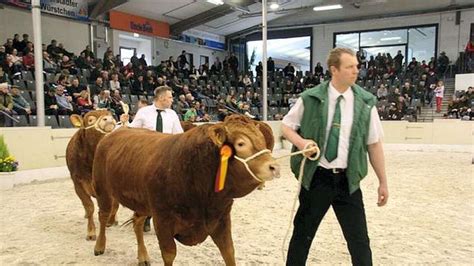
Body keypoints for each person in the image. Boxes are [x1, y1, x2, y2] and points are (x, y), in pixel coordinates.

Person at [281, 47, 389, 266]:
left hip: (348, 182)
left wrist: (383, 182)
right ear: (334, 70)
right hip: (316, 179)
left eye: (357, 66)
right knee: (302, 235)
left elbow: (374, 144)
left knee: (359, 241)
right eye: (350, 67)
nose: (356, 71)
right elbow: (286, 127)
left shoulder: (366, 103)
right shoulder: (310, 98)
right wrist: (302, 143)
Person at [127, 86, 183, 232]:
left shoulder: (172, 114)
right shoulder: (144, 112)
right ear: (161, 98)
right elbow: (133, 130)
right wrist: (125, 123)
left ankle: (157, 217)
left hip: (166, 155)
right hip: (146, 155)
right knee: (146, 187)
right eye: (170, 97)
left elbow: (179, 135)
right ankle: (143, 215)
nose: (172, 100)